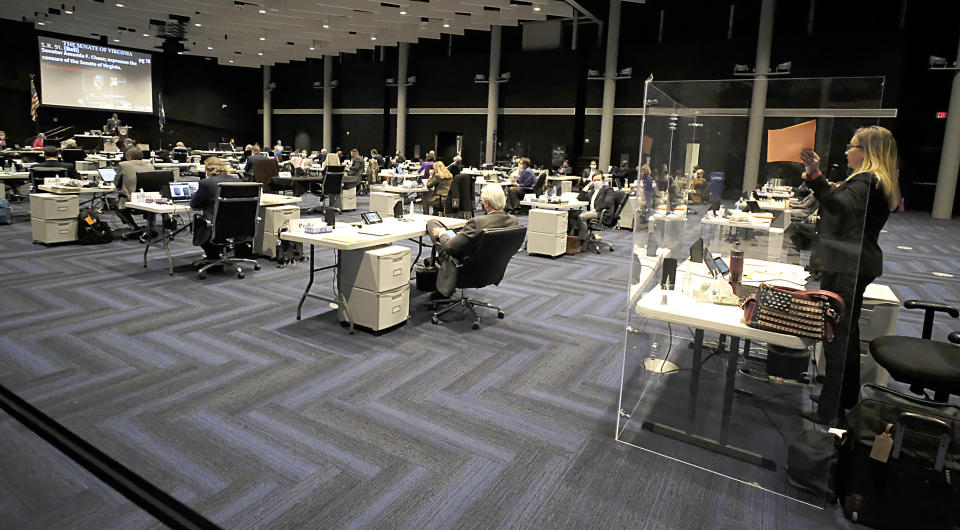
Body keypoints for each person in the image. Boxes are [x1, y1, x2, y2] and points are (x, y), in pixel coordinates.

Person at [800, 125, 900, 425]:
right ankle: (842, 401)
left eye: (851, 146)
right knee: (847, 334)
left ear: (866, 152)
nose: (846, 151)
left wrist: (816, 175)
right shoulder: (875, 182)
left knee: (838, 337)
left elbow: (839, 206)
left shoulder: (867, 181)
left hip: (848, 265)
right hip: (853, 262)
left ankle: (831, 409)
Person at [426, 183, 519, 297]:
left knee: (433, 223)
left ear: (486, 203)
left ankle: (444, 285)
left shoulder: (478, 222)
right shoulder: (513, 221)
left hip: (465, 268)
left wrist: (442, 233)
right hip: (492, 268)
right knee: (448, 232)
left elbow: (450, 247)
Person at [190, 156, 240, 259]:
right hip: (237, 223)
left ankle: (213, 256)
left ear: (208, 169)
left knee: (199, 223)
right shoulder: (239, 181)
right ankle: (218, 253)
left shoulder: (206, 183)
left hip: (214, 224)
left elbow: (194, 205)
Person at [569, 171, 617, 244]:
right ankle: (573, 237)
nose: (596, 182)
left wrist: (595, 210)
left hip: (601, 213)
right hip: (592, 212)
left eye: (598, 180)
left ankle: (582, 240)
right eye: (594, 180)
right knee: (570, 213)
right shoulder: (592, 191)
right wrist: (588, 186)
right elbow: (580, 198)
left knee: (582, 216)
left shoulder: (608, 189)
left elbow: (607, 203)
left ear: (603, 181)